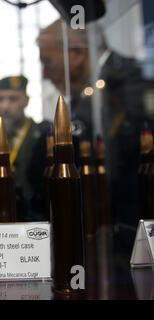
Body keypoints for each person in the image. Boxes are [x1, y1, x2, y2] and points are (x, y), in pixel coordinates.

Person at [38, 18, 151, 255]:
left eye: (47, 62)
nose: (45, 74)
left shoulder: (127, 83)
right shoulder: (91, 93)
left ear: (77, 53)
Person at [0, 75, 50, 222]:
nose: (5, 107)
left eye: (12, 99)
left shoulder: (43, 135)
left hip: (35, 216)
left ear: (26, 100)